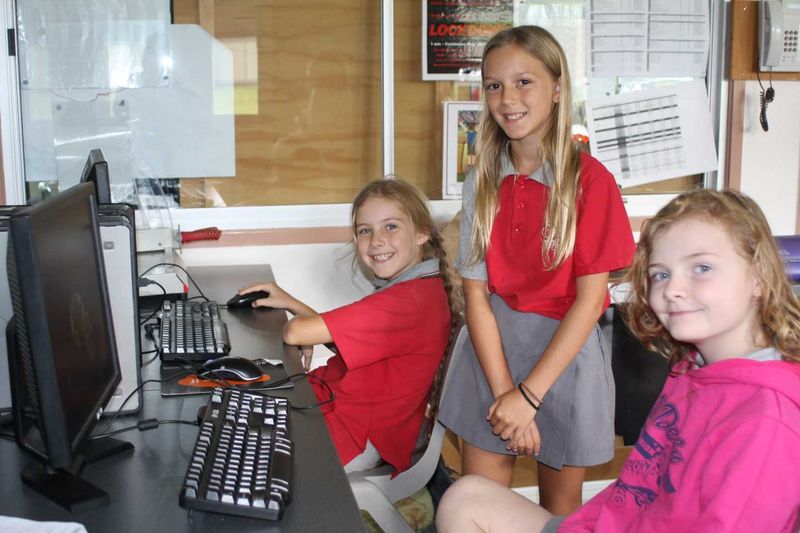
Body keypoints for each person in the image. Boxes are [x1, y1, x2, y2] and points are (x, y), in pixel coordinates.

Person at [436, 189, 800, 532]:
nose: (673, 288)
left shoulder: (766, 421)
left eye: (702, 268)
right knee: (466, 498)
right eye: (661, 273)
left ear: (758, 277)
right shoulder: (693, 370)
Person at [437, 25, 635, 513]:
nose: (508, 99)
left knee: (556, 516)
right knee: (476, 505)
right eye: (493, 85)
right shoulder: (480, 178)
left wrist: (530, 396)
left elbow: (591, 301)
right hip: (491, 354)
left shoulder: (592, 181)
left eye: (524, 81)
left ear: (557, 88)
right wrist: (508, 394)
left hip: (563, 357)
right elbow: (476, 296)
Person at [237, 179, 461, 474]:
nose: (376, 240)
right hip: (349, 411)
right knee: (238, 414)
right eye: (365, 230)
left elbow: (295, 333)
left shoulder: (408, 301)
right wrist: (293, 304)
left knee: (238, 443)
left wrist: (303, 325)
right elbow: (346, 344)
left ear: (421, 233)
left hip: (355, 434)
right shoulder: (420, 288)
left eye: (390, 227)